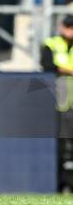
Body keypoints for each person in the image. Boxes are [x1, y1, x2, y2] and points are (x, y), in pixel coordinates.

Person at [41, 15, 73, 192]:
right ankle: (61, 186)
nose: (70, 30)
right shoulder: (52, 43)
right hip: (59, 104)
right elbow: (47, 65)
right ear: (61, 27)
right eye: (68, 26)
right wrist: (68, 70)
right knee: (61, 148)